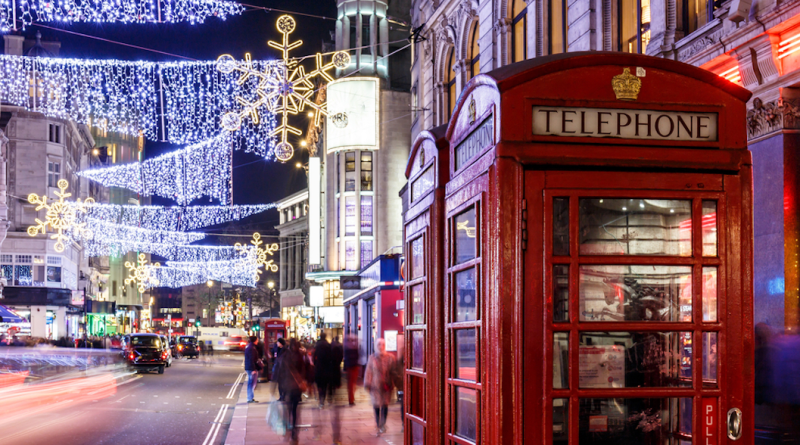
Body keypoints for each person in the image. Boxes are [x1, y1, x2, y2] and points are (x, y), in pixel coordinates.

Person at [275, 338, 306, 444]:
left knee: (288, 409)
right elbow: (304, 371)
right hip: (297, 387)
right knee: (295, 410)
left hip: (288, 387)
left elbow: (280, 370)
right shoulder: (300, 356)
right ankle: (294, 432)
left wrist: (277, 384)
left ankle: (289, 428)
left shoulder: (286, 355)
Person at [364, 338, 396, 435]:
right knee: (377, 405)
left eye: (382, 345)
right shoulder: (372, 358)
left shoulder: (390, 357)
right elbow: (369, 371)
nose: (381, 347)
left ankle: (383, 424)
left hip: (386, 385)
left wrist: (393, 383)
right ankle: (378, 424)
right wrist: (367, 383)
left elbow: (393, 372)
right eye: (379, 345)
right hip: (375, 386)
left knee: (385, 405)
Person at [312, 333, 333, 407]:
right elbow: (331, 356)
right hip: (326, 367)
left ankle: (320, 397)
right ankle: (323, 399)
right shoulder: (328, 345)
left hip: (319, 366)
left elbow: (314, 356)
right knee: (325, 384)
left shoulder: (317, 345)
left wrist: (315, 363)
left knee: (319, 383)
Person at [343, 334, 360, 405]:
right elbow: (358, 356)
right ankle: (352, 398)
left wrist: (344, 368)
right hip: (355, 366)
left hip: (349, 367)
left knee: (350, 384)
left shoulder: (346, 347)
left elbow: (345, 358)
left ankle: (351, 398)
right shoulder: (355, 347)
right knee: (353, 383)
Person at [244, 336, 261, 403]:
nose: (258, 341)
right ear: (255, 340)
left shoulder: (249, 347)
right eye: (257, 340)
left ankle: (250, 397)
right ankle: (250, 398)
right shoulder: (252, 348)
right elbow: (251, 359)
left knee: (251, 383)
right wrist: (253, 369)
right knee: (251, 383)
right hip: (251, 368)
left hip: (249, 368)